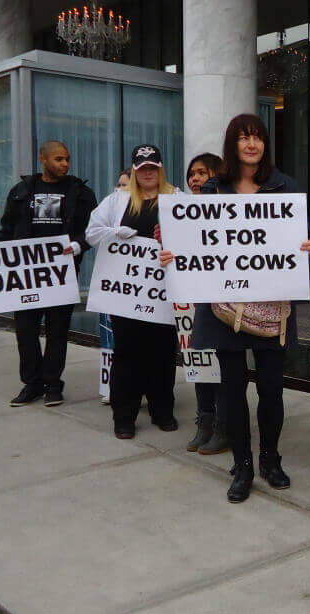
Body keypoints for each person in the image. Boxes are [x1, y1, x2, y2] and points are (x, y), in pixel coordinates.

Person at [161, 114, 310, 503]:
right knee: (231, 391)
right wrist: (174, 254)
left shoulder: (285, 187)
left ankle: (270, 459)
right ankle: (242, 465)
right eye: (244, 138)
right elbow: (198, 244)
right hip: (223, 309)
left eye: (258, 137)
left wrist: (307, 250)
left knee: (271, 391)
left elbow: (301, 241)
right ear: (232, 144)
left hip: (271, 308)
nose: (252, 144)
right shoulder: (212, 190)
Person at [0, 140, 96, 407]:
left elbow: (91, 230)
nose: (65, 164)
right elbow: (6, 231)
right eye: (59, 159)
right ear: (43, 159)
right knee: (25, 332)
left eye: (67, 159)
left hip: (60, 276)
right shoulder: (22, 191)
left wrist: (77, 245)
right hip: (25, 278)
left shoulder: (80, 193)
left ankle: (53, 385)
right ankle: (32, 383)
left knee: (57, 332)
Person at [86, 144, 179, 439]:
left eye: (153, 167)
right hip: (126, 293)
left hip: (164, 292)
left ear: (160, 169)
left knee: (163, 353)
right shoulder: (118, 200)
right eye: (142, 168)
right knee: (127, 353)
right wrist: (115, 233)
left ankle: (162, 410)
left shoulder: (178, 199)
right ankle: (123, 416)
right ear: (135, 171)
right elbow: (91, 232)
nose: (148, 172)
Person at [178, 152, 229, 455]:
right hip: (196, 300)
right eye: (192, 174)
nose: (195, 179)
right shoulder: (181, 211)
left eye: (202, 173)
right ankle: (205, 421)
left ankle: (224, 425)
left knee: (223, 365)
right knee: (199, 361)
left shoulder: (228, 207)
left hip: (224, 300)